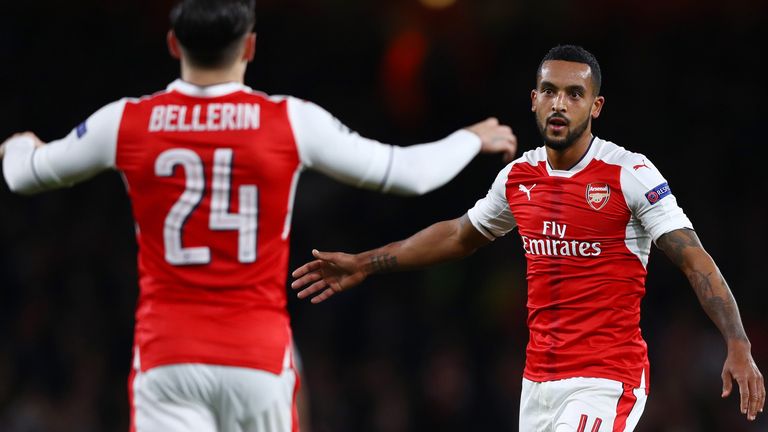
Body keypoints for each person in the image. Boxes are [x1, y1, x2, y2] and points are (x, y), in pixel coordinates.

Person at [0, 0, 518, 431]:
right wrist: (470, 138)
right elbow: (408, 173)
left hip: (167, 358)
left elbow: (26, 176)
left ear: (173, 44)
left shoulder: (128, 121)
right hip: (258, 359)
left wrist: (18, 145)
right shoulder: (288, 121)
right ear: (250, 46)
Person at [291, 45, 765, 430]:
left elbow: (693, 258)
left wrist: (738, 342)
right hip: (536, 385)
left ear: (595, 106)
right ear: (534, 99)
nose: (560, 103)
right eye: (550, 91)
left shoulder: (629, 174)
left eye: (575, 94)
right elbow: (460, 235)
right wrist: (364, 264)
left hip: (605, 379)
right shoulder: (519, 177)